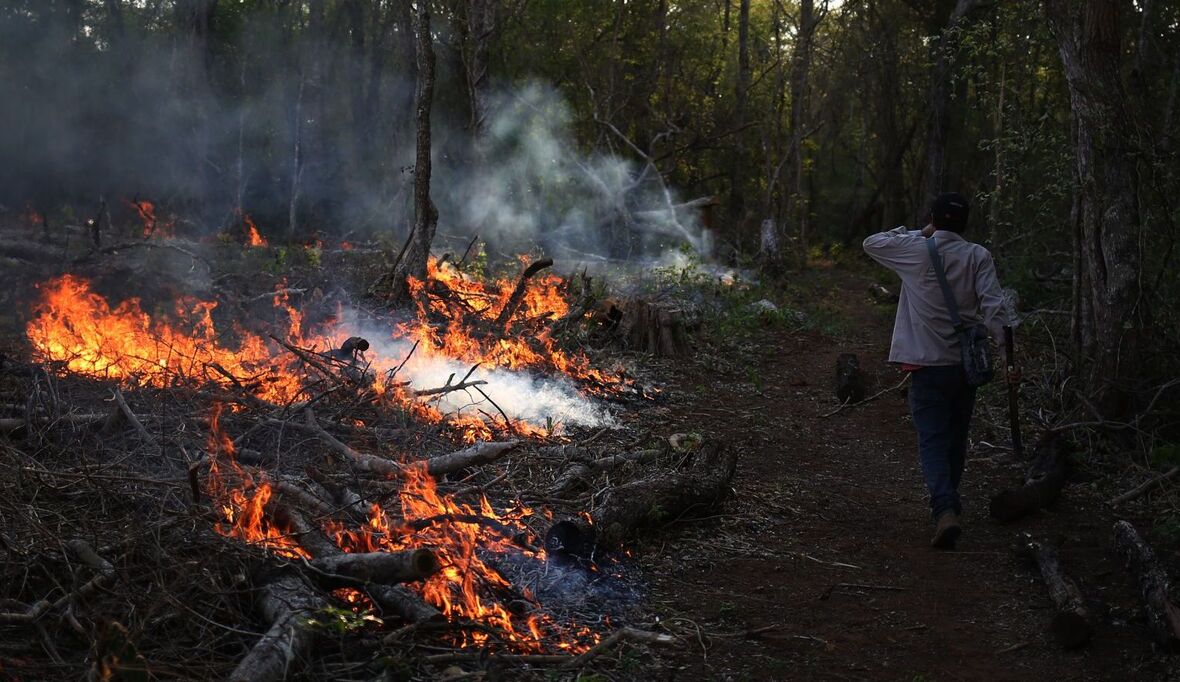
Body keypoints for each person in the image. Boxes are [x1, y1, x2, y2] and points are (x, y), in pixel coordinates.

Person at [862, 192, 1015, 549]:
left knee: (932, 438)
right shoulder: (978, 255)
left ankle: (944, 507)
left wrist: (921, 232)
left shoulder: (915, 250)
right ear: (965, 224)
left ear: (933, 219)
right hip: (966, 366)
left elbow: (873, 242)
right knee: (956, 436)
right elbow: (995, 310)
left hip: (926, 365)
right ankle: (951, 501)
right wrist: (1009, 358)